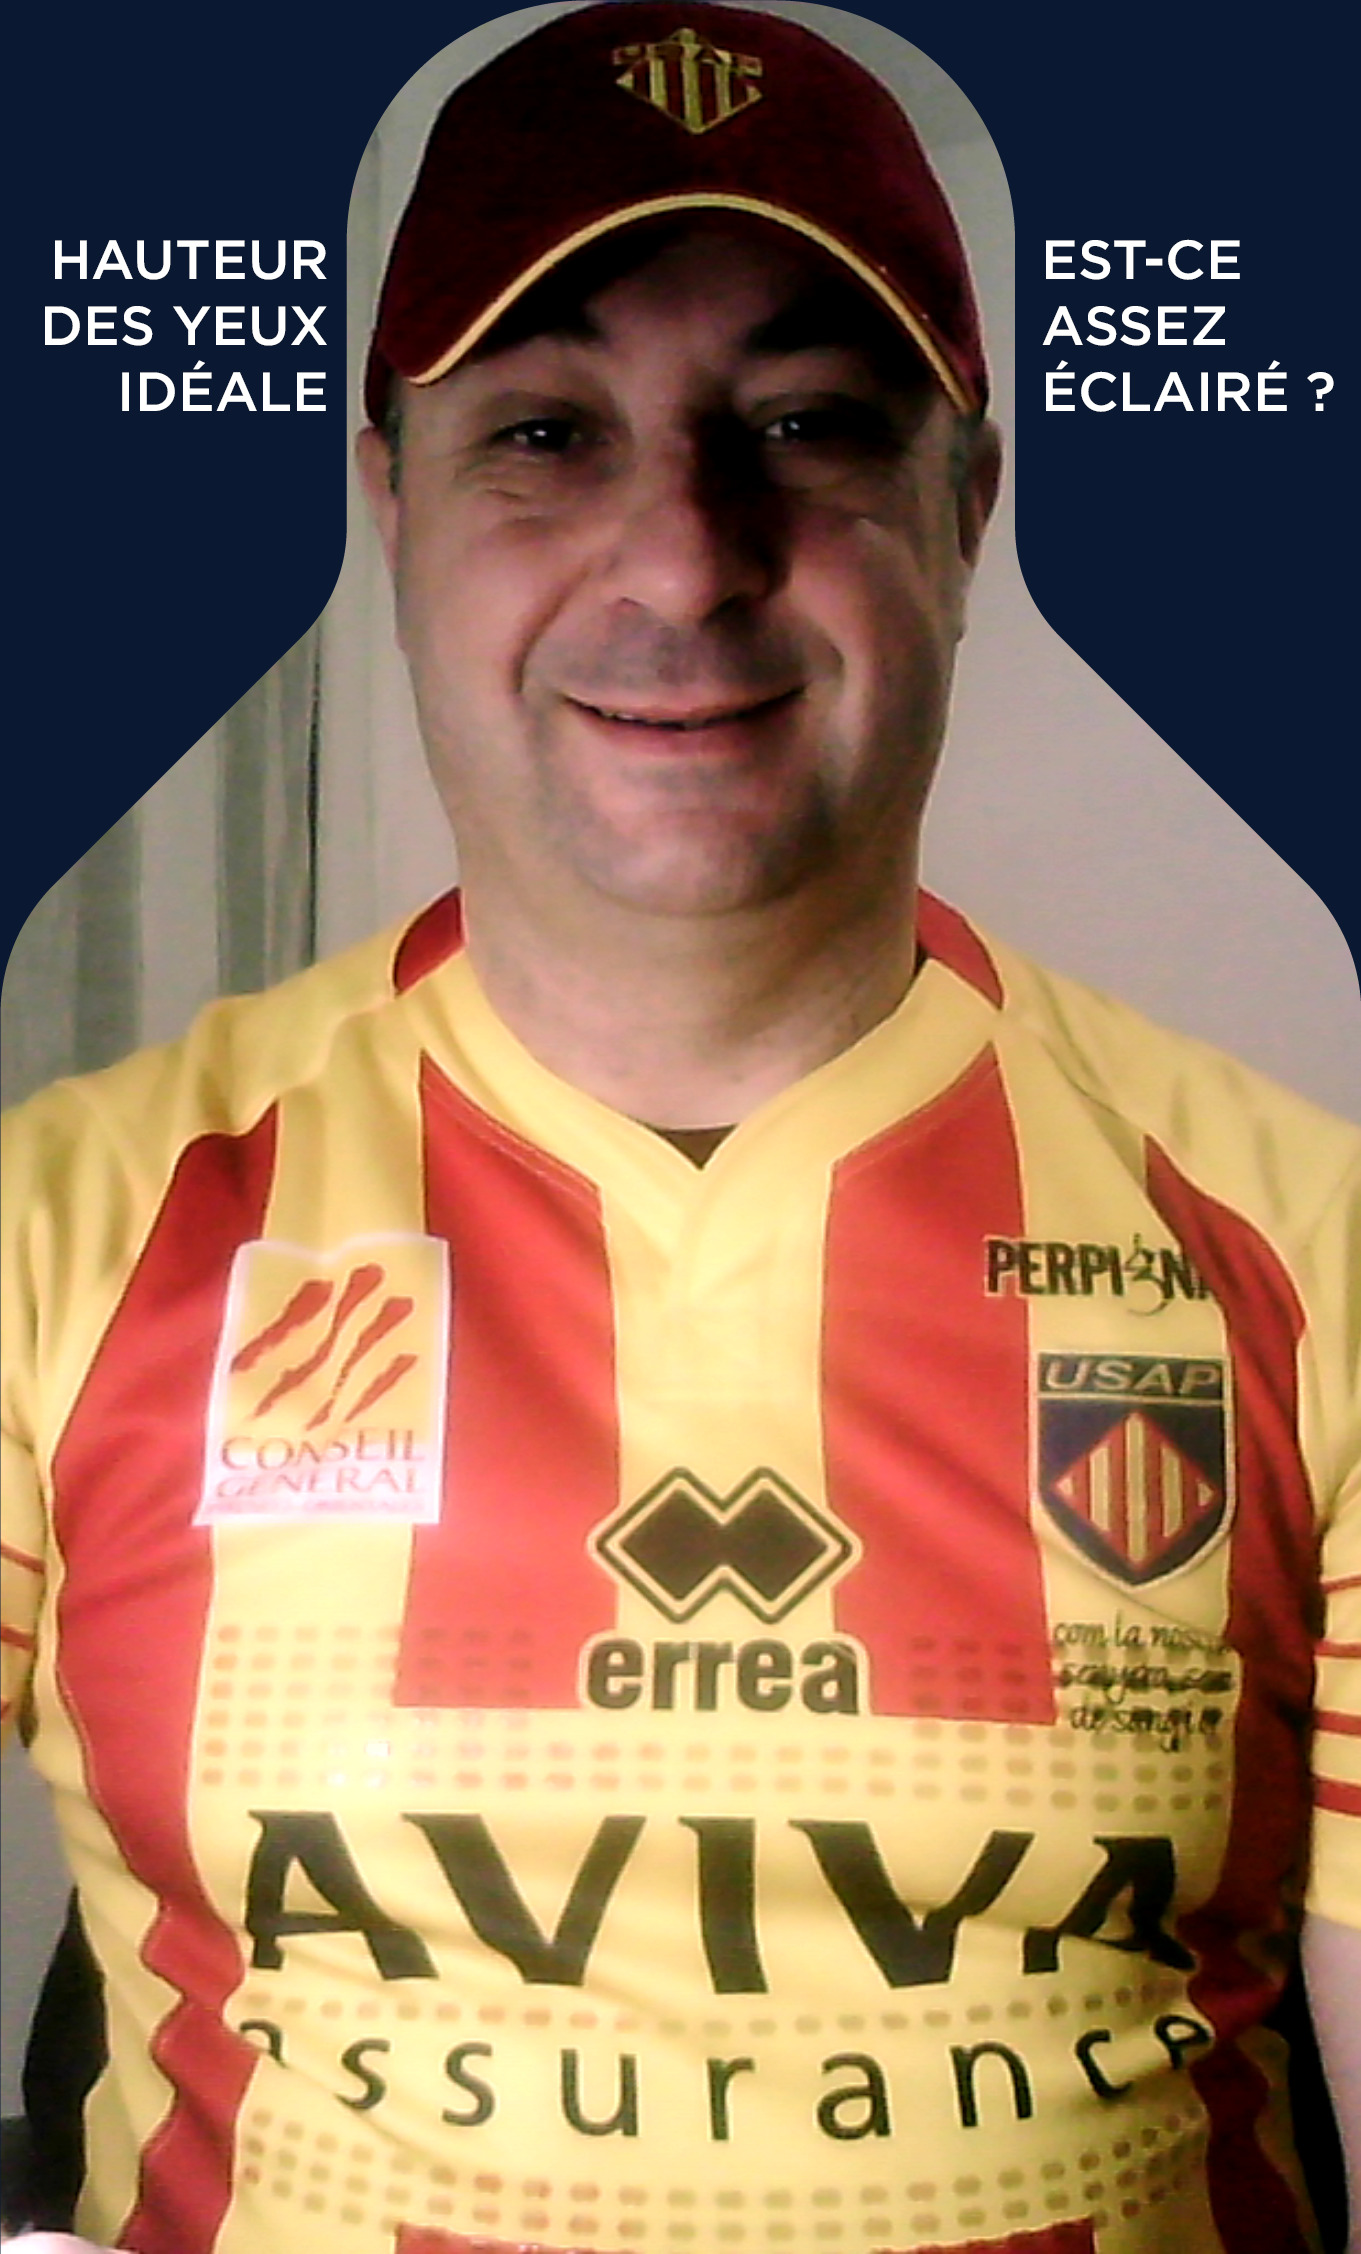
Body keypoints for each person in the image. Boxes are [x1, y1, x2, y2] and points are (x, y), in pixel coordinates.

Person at [2, 6, 1357, 2251]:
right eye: (545, 432)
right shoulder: (63, 1229)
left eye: (809, 424)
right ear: (388, 496)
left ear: (970, 504)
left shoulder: (1307, 1248)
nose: (687, 557)